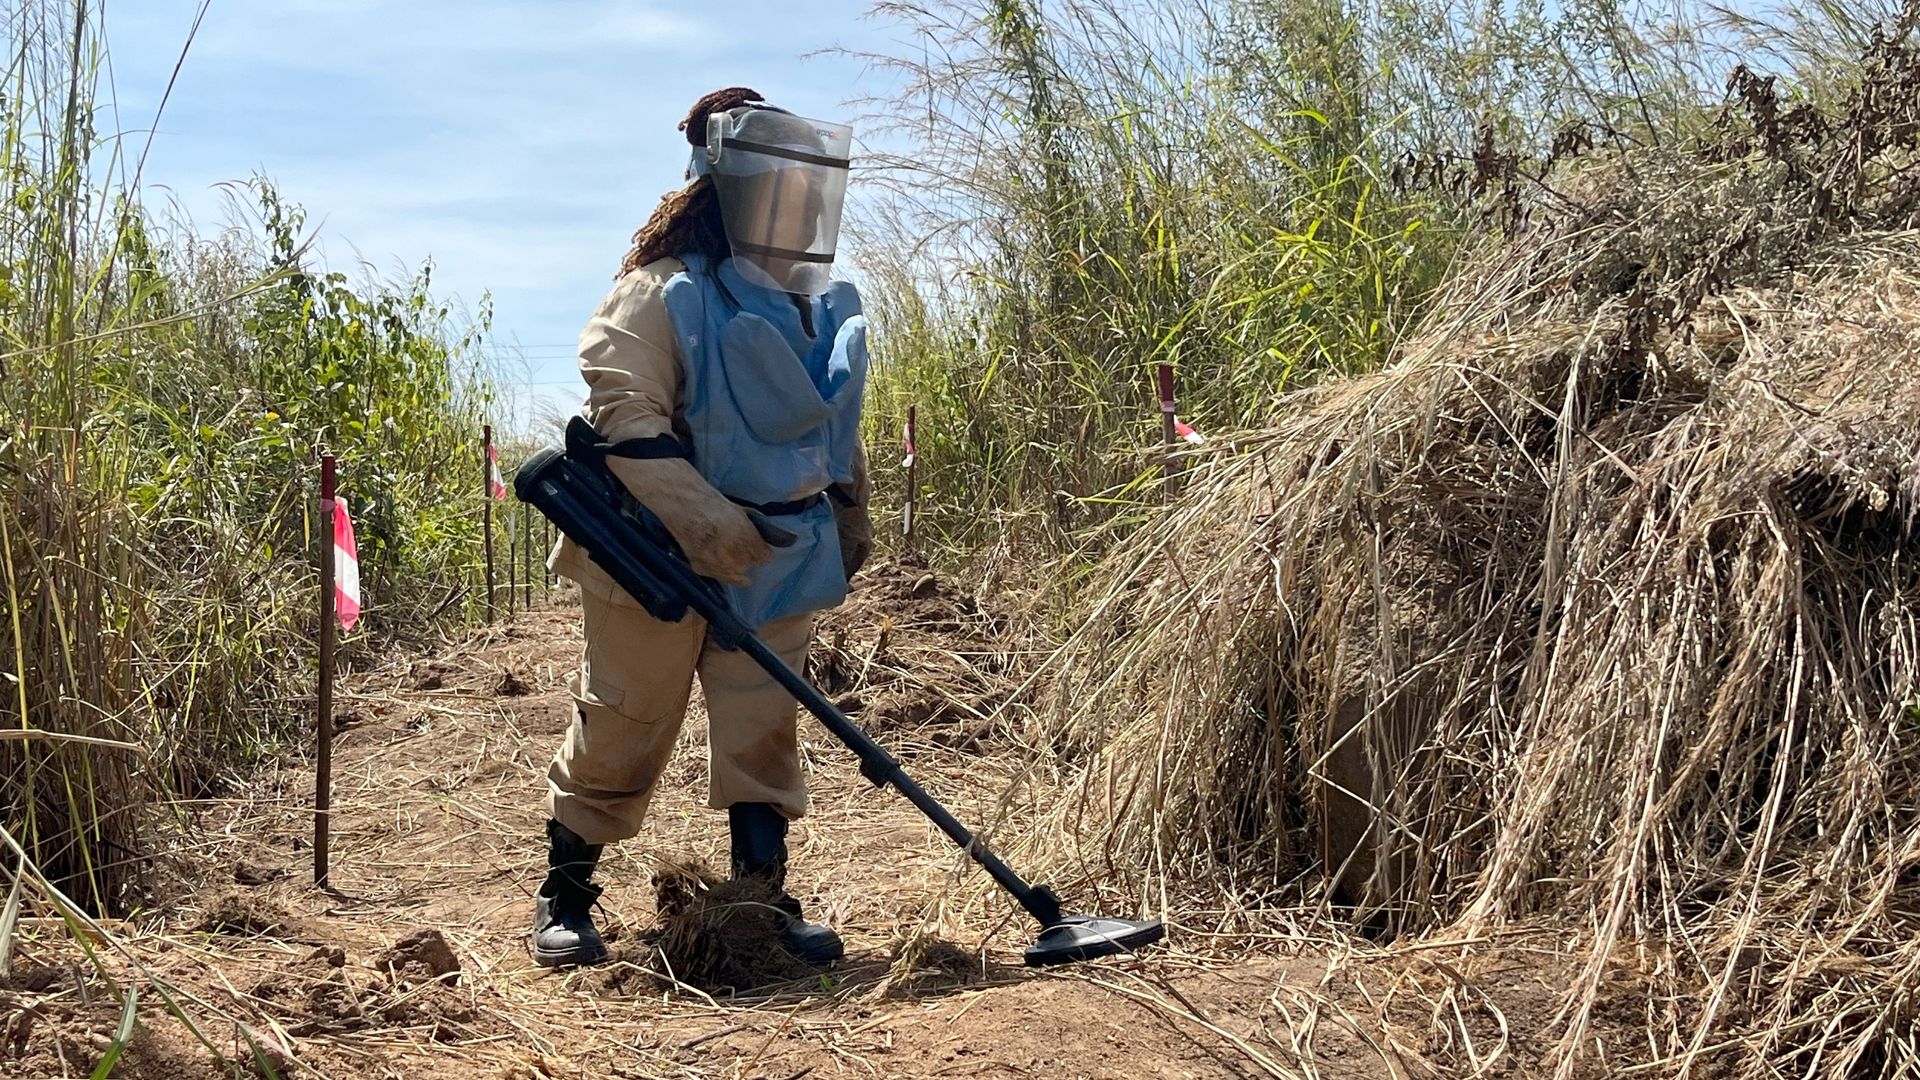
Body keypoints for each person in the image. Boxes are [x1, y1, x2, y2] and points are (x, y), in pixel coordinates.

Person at [531, 87, 873, 968]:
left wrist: (847, 514)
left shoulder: (812, 303)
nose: (793, 209)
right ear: (731, 190)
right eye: (776, 189)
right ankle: (565, 896)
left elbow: (829, 427)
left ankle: (761, 901)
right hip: (651, 553)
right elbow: (624, 417)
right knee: (626, 720)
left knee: (764, 724)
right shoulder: (659, 294)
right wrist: (708, 528)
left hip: (780, 558)